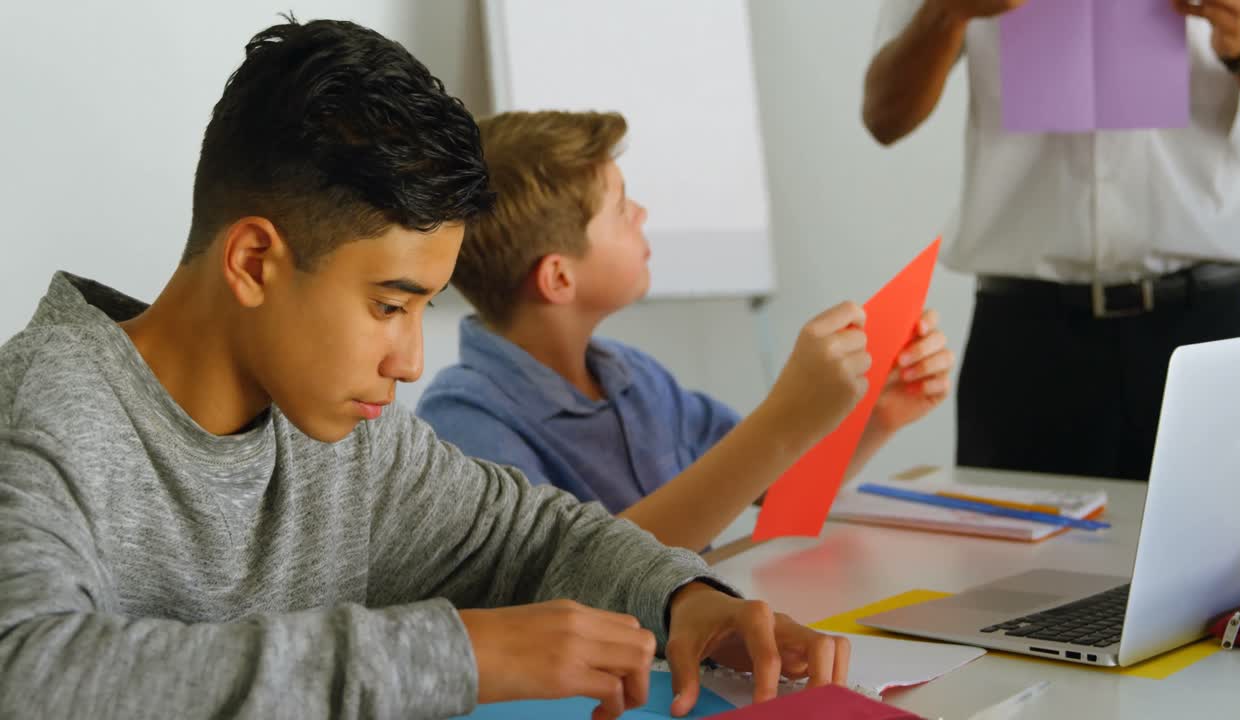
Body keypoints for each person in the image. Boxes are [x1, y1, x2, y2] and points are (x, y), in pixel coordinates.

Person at [0, 18, 849, 719]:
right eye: (388, 305)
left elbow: (535, 535)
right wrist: (455, 652)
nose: (408, 362)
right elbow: (27, 673)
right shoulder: (42, 416)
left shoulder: (344, 439)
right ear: (254, 261)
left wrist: (685, 603)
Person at [418, 110, 954, 552]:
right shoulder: (464, 420)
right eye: (621, 208)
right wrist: (783, 419)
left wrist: (876, 418)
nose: (642, 213)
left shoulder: (636, 378)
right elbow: (572, 576)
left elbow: (774, 487)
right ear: (560, 277)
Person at [863, 0, 1240, 480]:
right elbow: (883, 116)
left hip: (1203, 330)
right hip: (1028, 343)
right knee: (1012, 549)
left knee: (1228, 547)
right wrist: (946, 12)